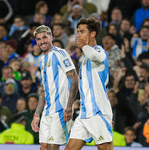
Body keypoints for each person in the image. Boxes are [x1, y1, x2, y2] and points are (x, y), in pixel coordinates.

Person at [65, 18, 113, 150]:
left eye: (82, 32)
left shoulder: (99, 52)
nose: (78, 35)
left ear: (92, 34)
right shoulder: (85, 58)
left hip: (97, 111)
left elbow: (95, 56)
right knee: (69, 148)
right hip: (85, 112)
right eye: (78, 32)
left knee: (105, 148)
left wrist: (105, 115)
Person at [31, 25, 78, 150]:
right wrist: (37, 114)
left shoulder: (60, 53)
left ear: (51, 37)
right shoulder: (42, 60)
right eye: (39, 39)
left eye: (45, 37)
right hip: (47, 110)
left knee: (53, 146)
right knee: (44, 147)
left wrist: (69, 106)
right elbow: (43, 89)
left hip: (61, 108)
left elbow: (74, 78)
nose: (42, 41)